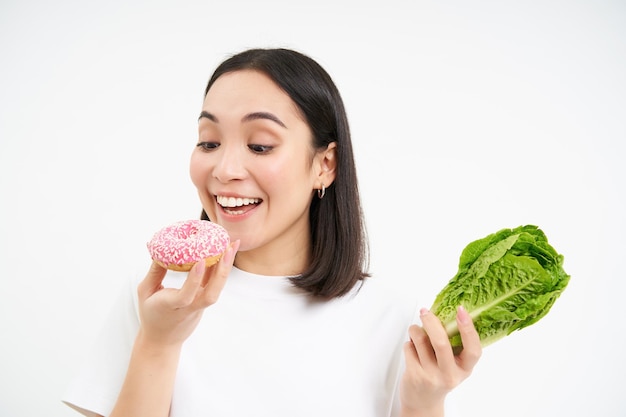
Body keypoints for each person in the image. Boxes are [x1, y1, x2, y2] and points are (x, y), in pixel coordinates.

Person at [63, 48, 482, 417]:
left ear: (325, 165)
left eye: (260, 145)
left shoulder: (393, 320)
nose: (225, 170)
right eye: (209, 142)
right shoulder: (160, 299)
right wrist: (158, 344)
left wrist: (423, 406)